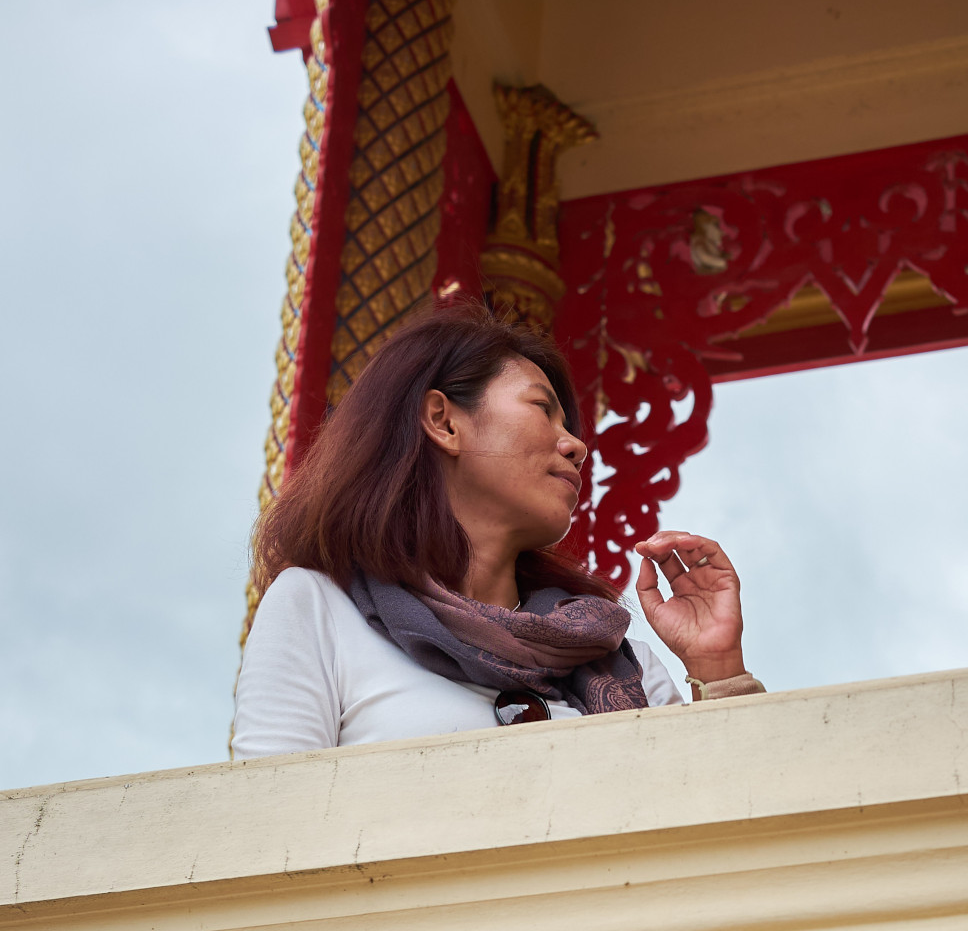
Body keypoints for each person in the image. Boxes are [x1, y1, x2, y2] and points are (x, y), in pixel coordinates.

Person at [232, 304, 762, 759]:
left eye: (569, 427)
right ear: (443, 422)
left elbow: (727, 831)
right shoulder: (319, 609)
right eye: (542, 410)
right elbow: (268, 826)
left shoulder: (622, 659)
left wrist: (716, 666)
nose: (576, 446)